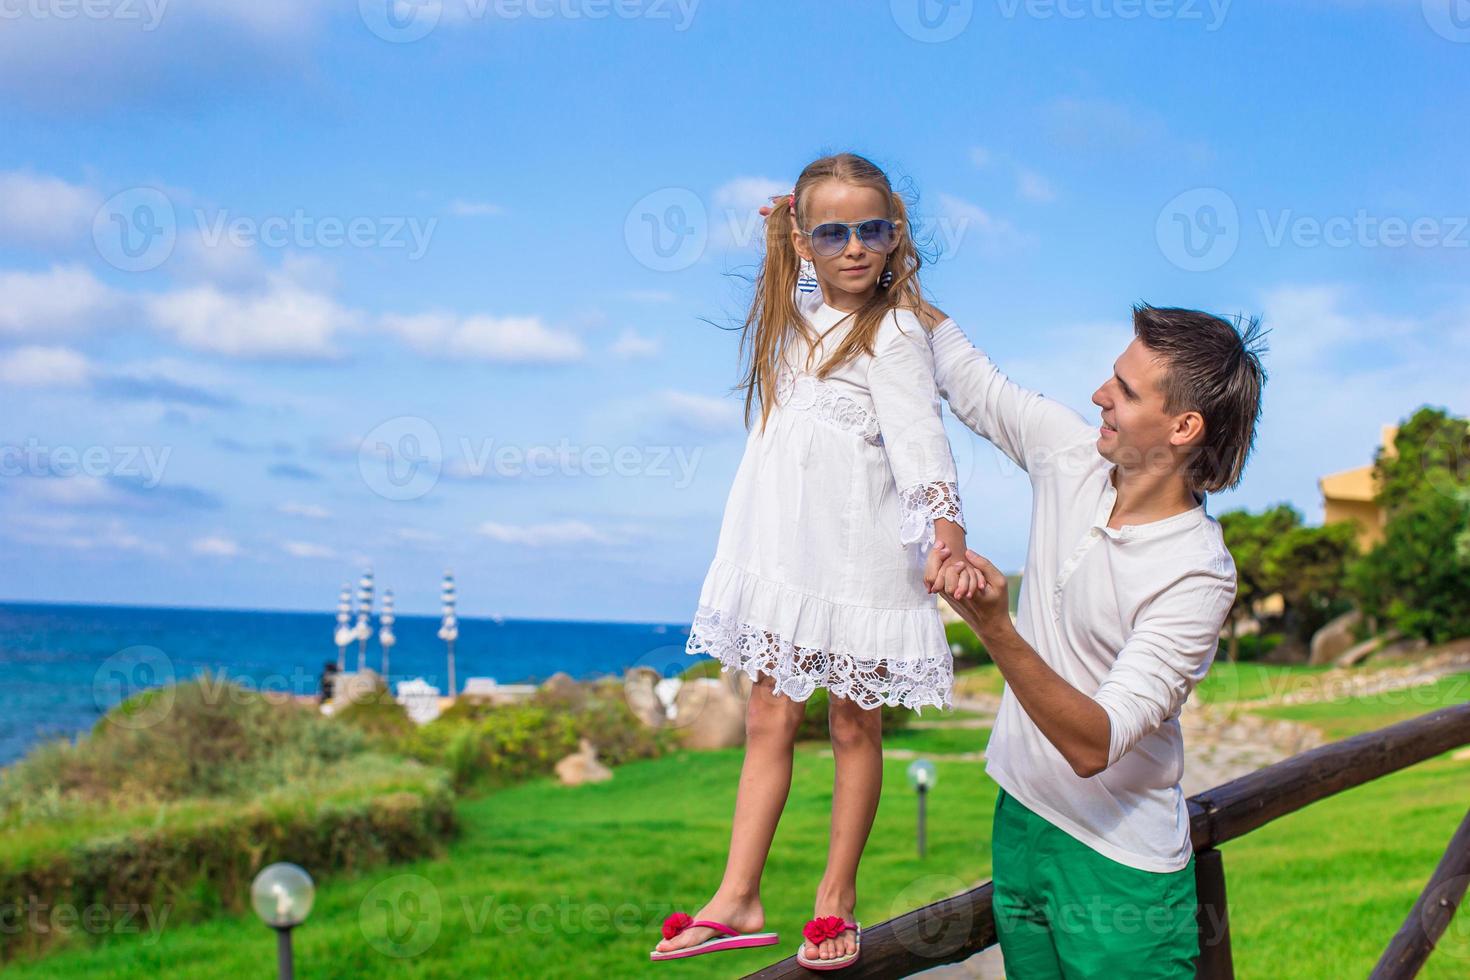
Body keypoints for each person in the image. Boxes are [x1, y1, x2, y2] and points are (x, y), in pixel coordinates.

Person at [651, 153, 976, 969]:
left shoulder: (896, 332)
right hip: (782, 548)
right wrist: (780, 232)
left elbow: (921, 443)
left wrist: (947, 535)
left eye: (872, 230)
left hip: (860, 553)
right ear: (806, 242)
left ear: (894, 235)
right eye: (833, 233)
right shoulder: (791, 321)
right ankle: (738, 895)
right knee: (766, 715)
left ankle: (837, 898)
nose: (855, 248)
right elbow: (781, 280)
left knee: (851, 721)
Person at [923, 302, 1266, 978]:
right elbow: (964, 372)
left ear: (1183, 427)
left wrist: (995, 628)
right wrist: (863, 244)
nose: (1099, 396)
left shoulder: (1197, 572)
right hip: (1019, 823)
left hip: (1118, 872)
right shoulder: (1069, 455)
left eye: (1126, 390)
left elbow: (1094, 743)